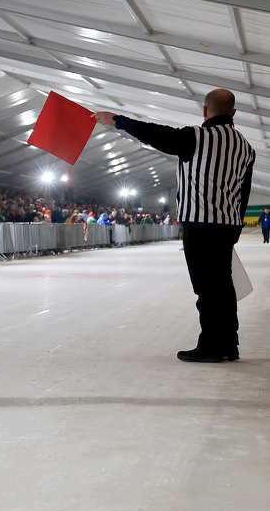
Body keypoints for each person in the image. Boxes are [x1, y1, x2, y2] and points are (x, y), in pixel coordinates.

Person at [93, 88, 255, 363]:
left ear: (205, 111)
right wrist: (236, 228)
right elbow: (244, 192)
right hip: (226, 225)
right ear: (234, 113)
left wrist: (116, 119)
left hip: (200, 224)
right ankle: (229, 344)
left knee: (206, 289)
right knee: (223, 287)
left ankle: (211, 346)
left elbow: (153, 133)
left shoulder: (196, 136)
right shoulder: (246, 148)